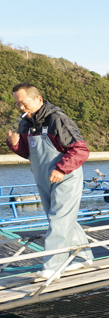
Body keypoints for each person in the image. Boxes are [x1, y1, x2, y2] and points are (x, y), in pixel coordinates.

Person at [5, 83, 94, 281]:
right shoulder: (25, 123)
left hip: (65, 177)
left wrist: (62, 169)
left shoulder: (57, 119)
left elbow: (80, 150)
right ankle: (84, 257)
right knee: (61, 218)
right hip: (43, 176)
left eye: (24, 103)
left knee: (59, 218)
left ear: (38, 99)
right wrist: (15, 144)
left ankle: (52, 267)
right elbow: (28, 153)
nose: (20, 107)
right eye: (17, 104)